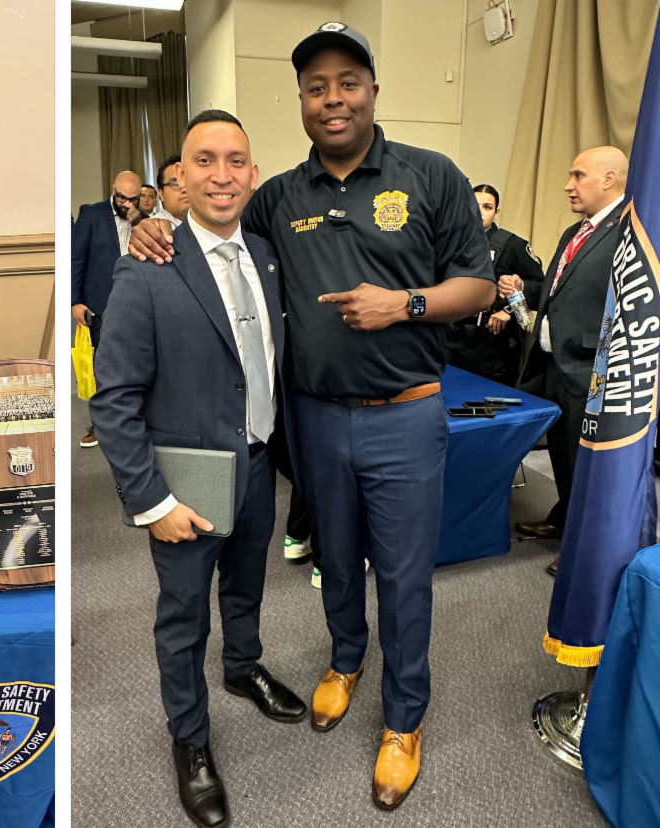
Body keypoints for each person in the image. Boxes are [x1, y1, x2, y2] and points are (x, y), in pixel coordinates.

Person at [130, 23, 497, 811]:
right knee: (334, 557)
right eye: (316, 86)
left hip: (405, 415)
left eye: (347, 82)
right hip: (311, 421)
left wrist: (406, 304)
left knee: (402, 574)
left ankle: (404, 718)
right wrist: (151, 225)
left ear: (372, 89)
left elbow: (482, 285)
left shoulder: (431, 176)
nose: (332, 98)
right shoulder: (278, 198)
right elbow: (212, 236)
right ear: (301, 100)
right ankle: (344, 658)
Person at [92, 110, 306, 828]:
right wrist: (152, 501)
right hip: (187, 479)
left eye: (236, 160)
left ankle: (243, 669)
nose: (222, 175)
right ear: (177, 176)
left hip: (256, 464)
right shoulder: (145, 266)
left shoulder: (269, 257)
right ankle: (191, 738)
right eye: (204, 161)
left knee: (246, 586)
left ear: (252, 171)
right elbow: (114, 398)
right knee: (183, 618)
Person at [515, 147, 628, 574]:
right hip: (556, 363)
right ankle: (565, 521)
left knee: (589, 467)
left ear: (609, 179)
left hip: (592, 369)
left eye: (578, 175)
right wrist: (524, 286)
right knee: (564, 456)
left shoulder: (630, 231)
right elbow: (557, 289)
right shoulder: (575, 231)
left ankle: (589, 552)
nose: (568, 184)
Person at [444, 184, 545, 385]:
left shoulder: (512, 245)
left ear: (496, 212)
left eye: (487, 207)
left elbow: (540, 289)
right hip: (451, 338)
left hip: (491, 342)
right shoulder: (449, 242)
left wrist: (508, 310)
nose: (480, 212)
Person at [72, 170, 141, 448]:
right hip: (99, 303)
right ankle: (99, 425)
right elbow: (75, 259)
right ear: (113, 190)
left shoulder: (142, 218)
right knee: (101, 366)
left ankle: (133, 419)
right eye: (121, 197)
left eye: (132, 199)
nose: (125, 203)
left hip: (136, 301)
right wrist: (75, 301)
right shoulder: (91, 214)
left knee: (135, 361)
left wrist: (139, 219)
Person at [151, 153, 190, 227]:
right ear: (161, 194)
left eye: (189, 182)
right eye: (176, 183)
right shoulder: (152, 230)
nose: (185, 189)